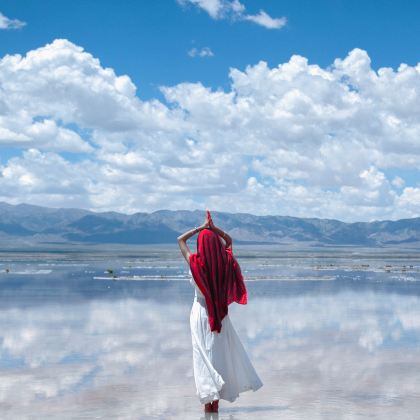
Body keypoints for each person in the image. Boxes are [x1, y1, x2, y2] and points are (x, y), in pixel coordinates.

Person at [177, 210, 263, 413]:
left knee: (203, 356)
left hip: (200, 314)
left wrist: (201, 228)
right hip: (220, 316)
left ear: (200, 246)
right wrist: (214, 229)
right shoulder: (226, 263)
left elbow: (180, 240)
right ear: (217, 244)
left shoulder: (195, 264)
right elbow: (230, 241)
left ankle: (209, 402)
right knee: (218, 355)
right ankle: (214, 403)